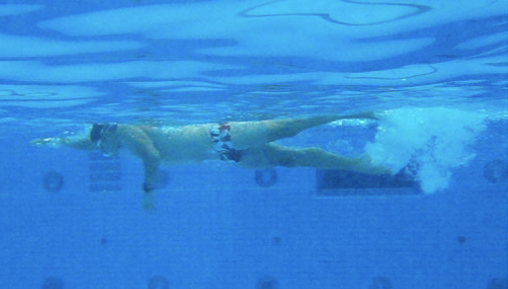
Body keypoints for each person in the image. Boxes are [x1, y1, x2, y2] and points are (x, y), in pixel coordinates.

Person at [30, 113, 390, 208]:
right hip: (223, 153)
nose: (105, 153)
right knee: (293, 160)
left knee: (289, 128)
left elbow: (153, 157)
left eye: (103, 144)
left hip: (220, 136)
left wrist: (147, 191)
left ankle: (358, 109)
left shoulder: (124, 131)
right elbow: (85, 144)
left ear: (106, 130)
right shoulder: (109, 141)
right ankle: (358, 164)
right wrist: (57, 141)